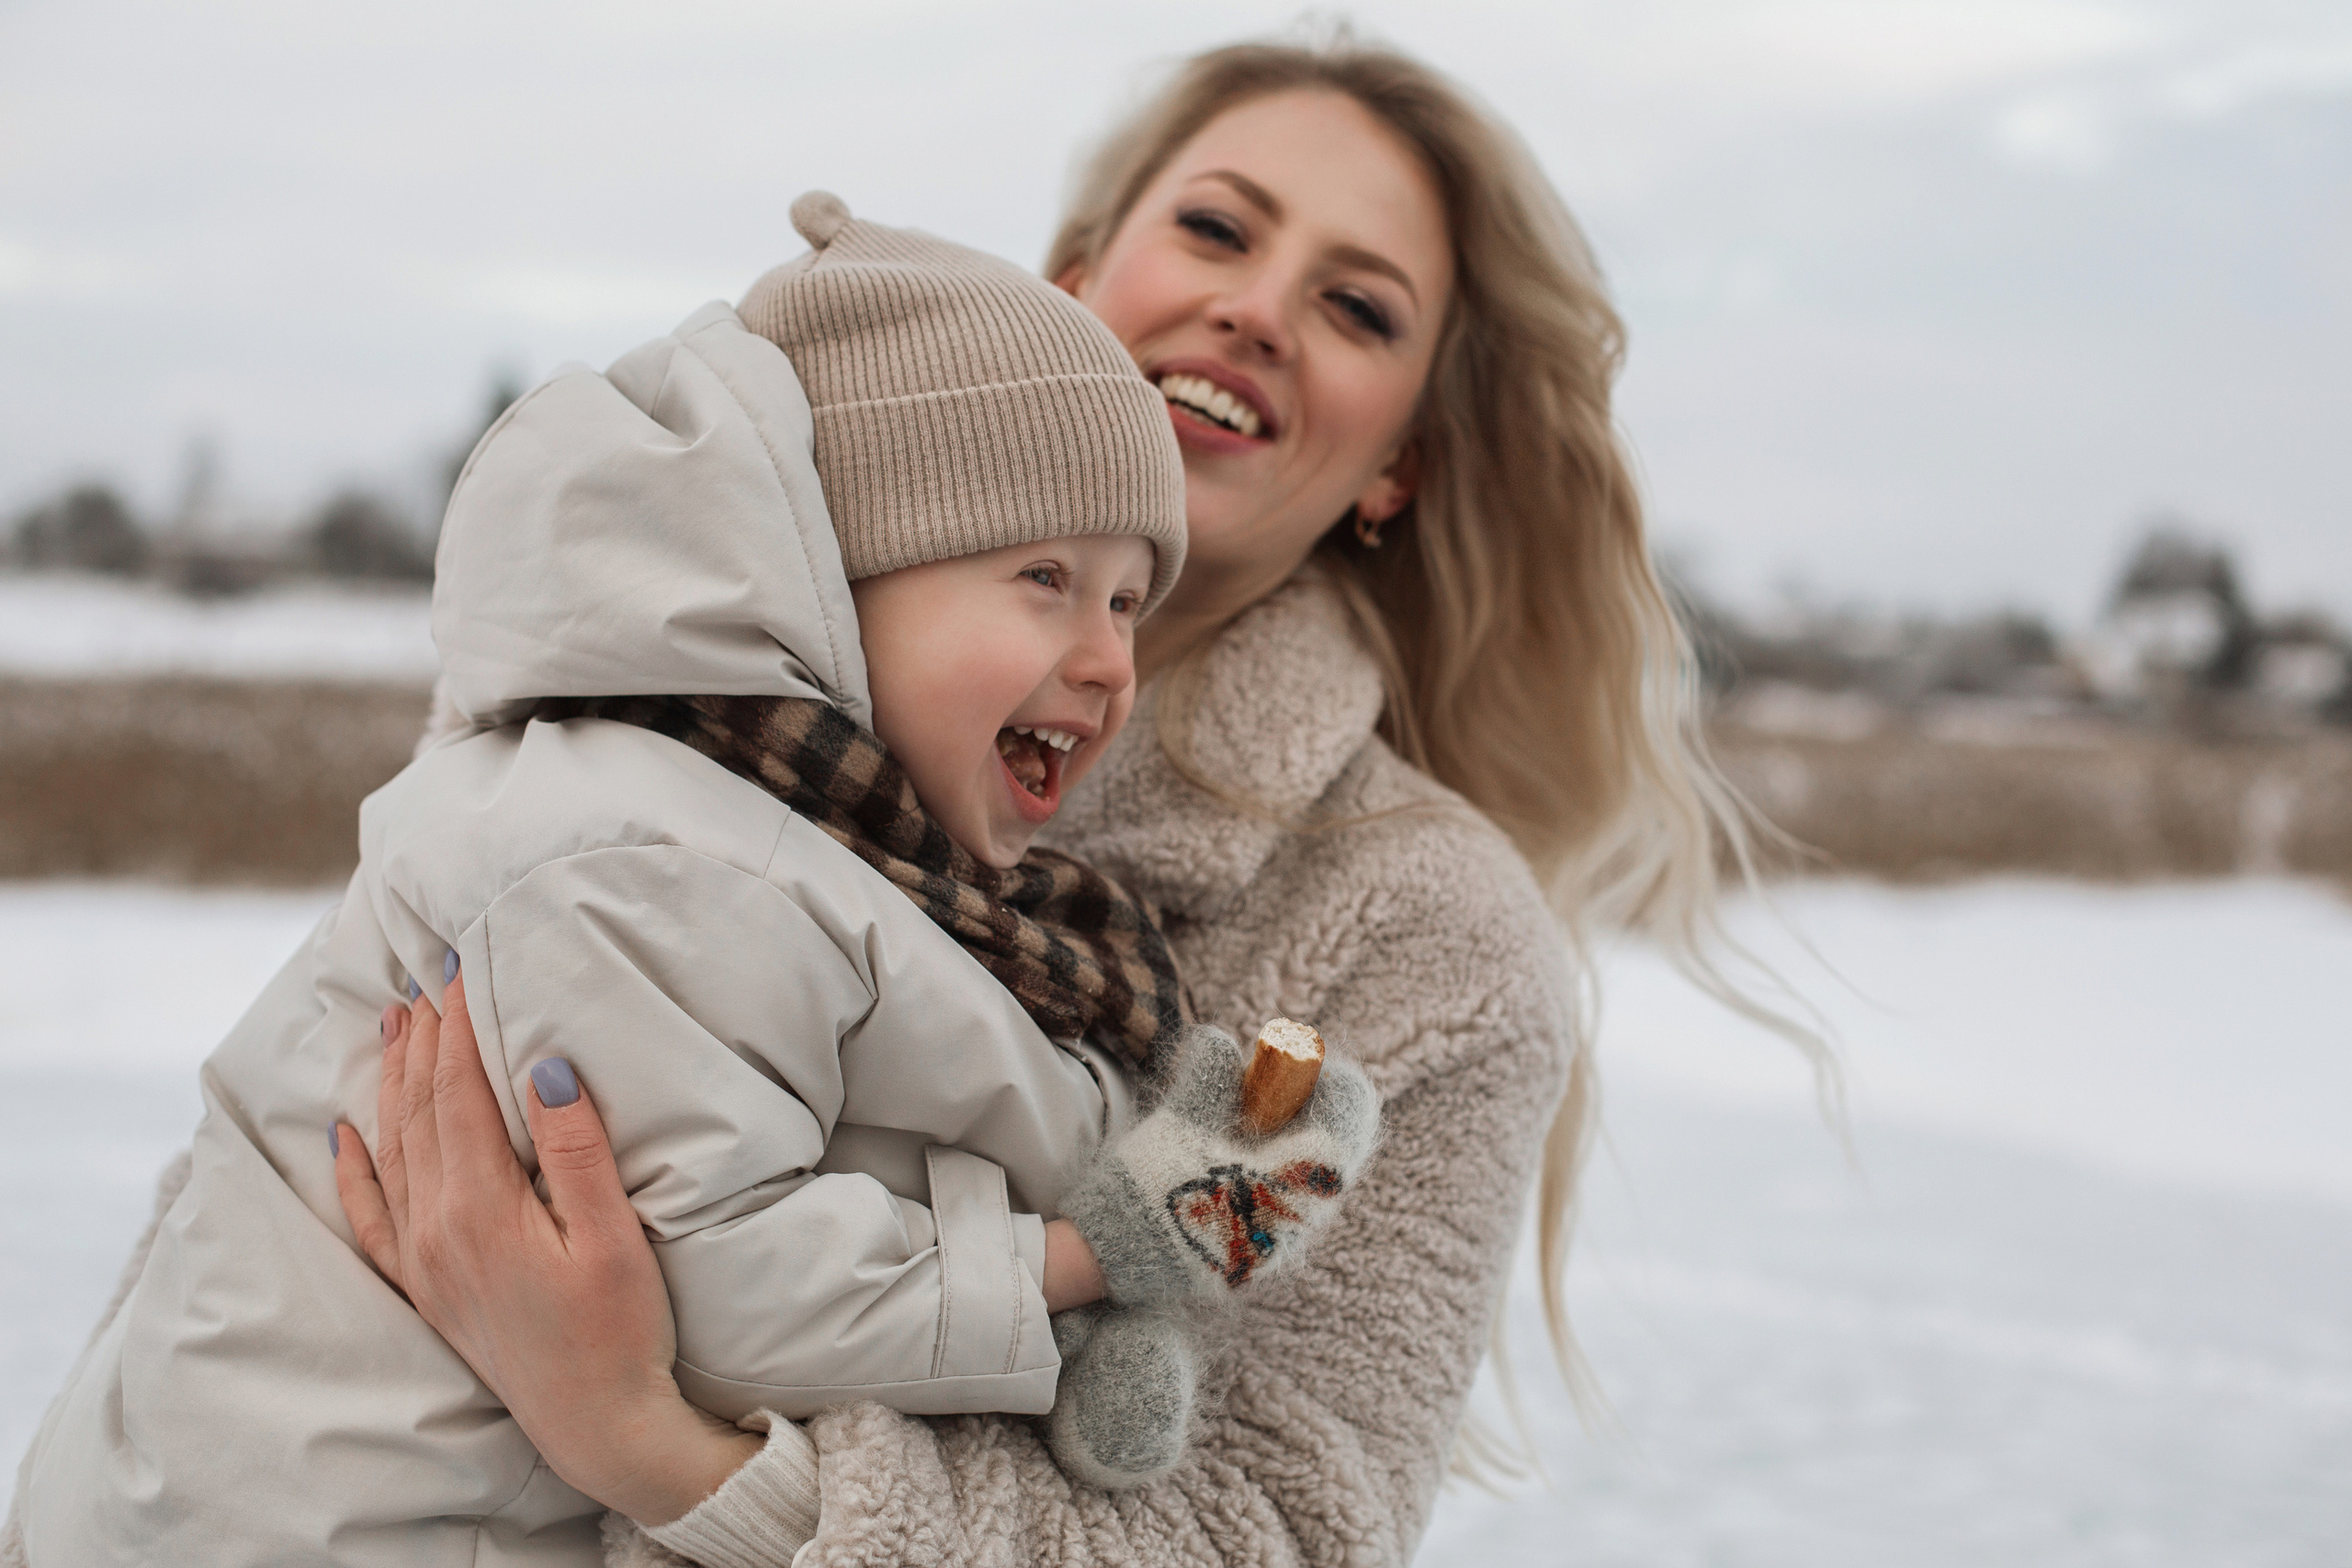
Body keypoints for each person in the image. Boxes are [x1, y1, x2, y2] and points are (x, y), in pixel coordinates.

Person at [6, 32, 1799, 1568]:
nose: (1257, 306)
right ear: (1079, 284)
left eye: (1351, 304)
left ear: (1398, 455)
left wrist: (670, 1451)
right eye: (1214, 227)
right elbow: (292, 1171)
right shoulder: (705, 689)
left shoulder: (1421, 926)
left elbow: (1271, 1531)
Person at [5, 198, 1379, 1565]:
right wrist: (1101, 1253)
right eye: (1045, 578)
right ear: (834, 585)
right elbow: (712, 1295)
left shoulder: (823, 853)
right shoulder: (643, 859)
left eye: (1129, 601)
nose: (1106, 661)